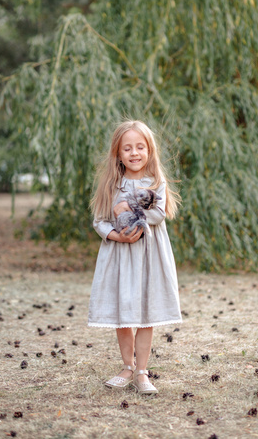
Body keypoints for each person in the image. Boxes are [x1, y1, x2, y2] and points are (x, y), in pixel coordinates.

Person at [88, 120, 182, 394]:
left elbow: (157, 214)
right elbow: (100, 220)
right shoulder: (112, 183)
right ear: (118, 154)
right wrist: (117, 235)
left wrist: (127, 207)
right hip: (120, 255)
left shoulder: (156, 182)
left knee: (145, 312)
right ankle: (126, 366)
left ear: (150, 151)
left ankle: (142, 372)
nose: (134, 153)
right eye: (127, 148)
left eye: (140, 147)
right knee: (124, 314)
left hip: (149, 255)